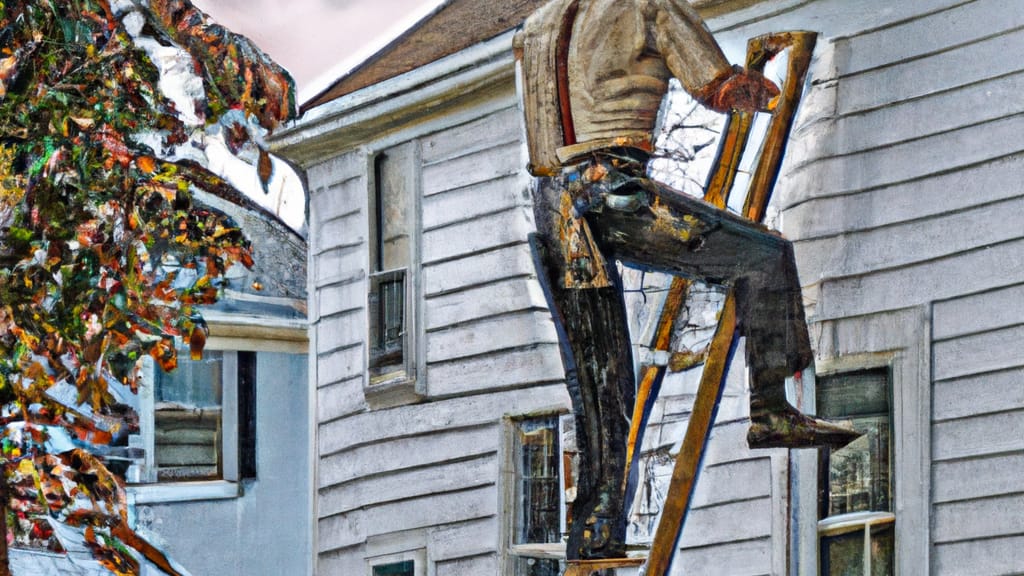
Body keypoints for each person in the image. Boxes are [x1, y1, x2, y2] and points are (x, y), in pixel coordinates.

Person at [514, 0, 858, 560]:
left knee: (603, 383)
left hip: (553, 210)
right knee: (764, 259)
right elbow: (716, 87)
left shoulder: (537, 26)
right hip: (611, 190)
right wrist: (748, 85)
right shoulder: (644, 3)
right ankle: (771, 408)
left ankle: (595, 531)